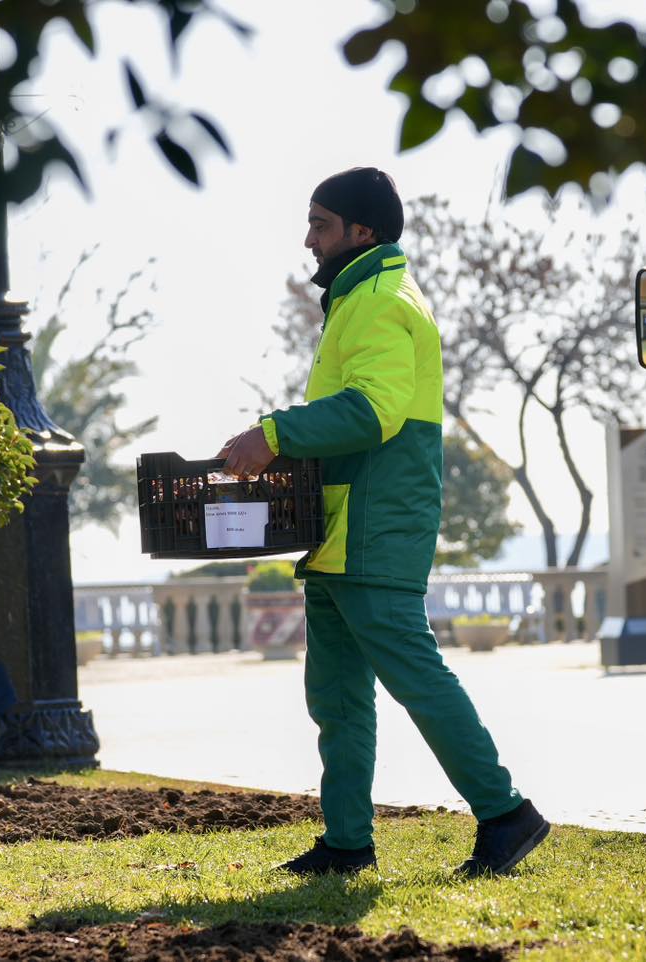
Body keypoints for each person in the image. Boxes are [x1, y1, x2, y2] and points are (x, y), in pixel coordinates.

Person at [219, 166, 548, 877]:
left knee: (417, 680)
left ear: (361, 232)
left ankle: (505, 813)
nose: (308, 240)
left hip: (374, 529)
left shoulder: (378, 298)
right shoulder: (356, 298)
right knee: (336, 699)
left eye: (321, 224)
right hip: (341, 534)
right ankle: (346, 843)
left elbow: (373, 412)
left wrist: (273, 432)